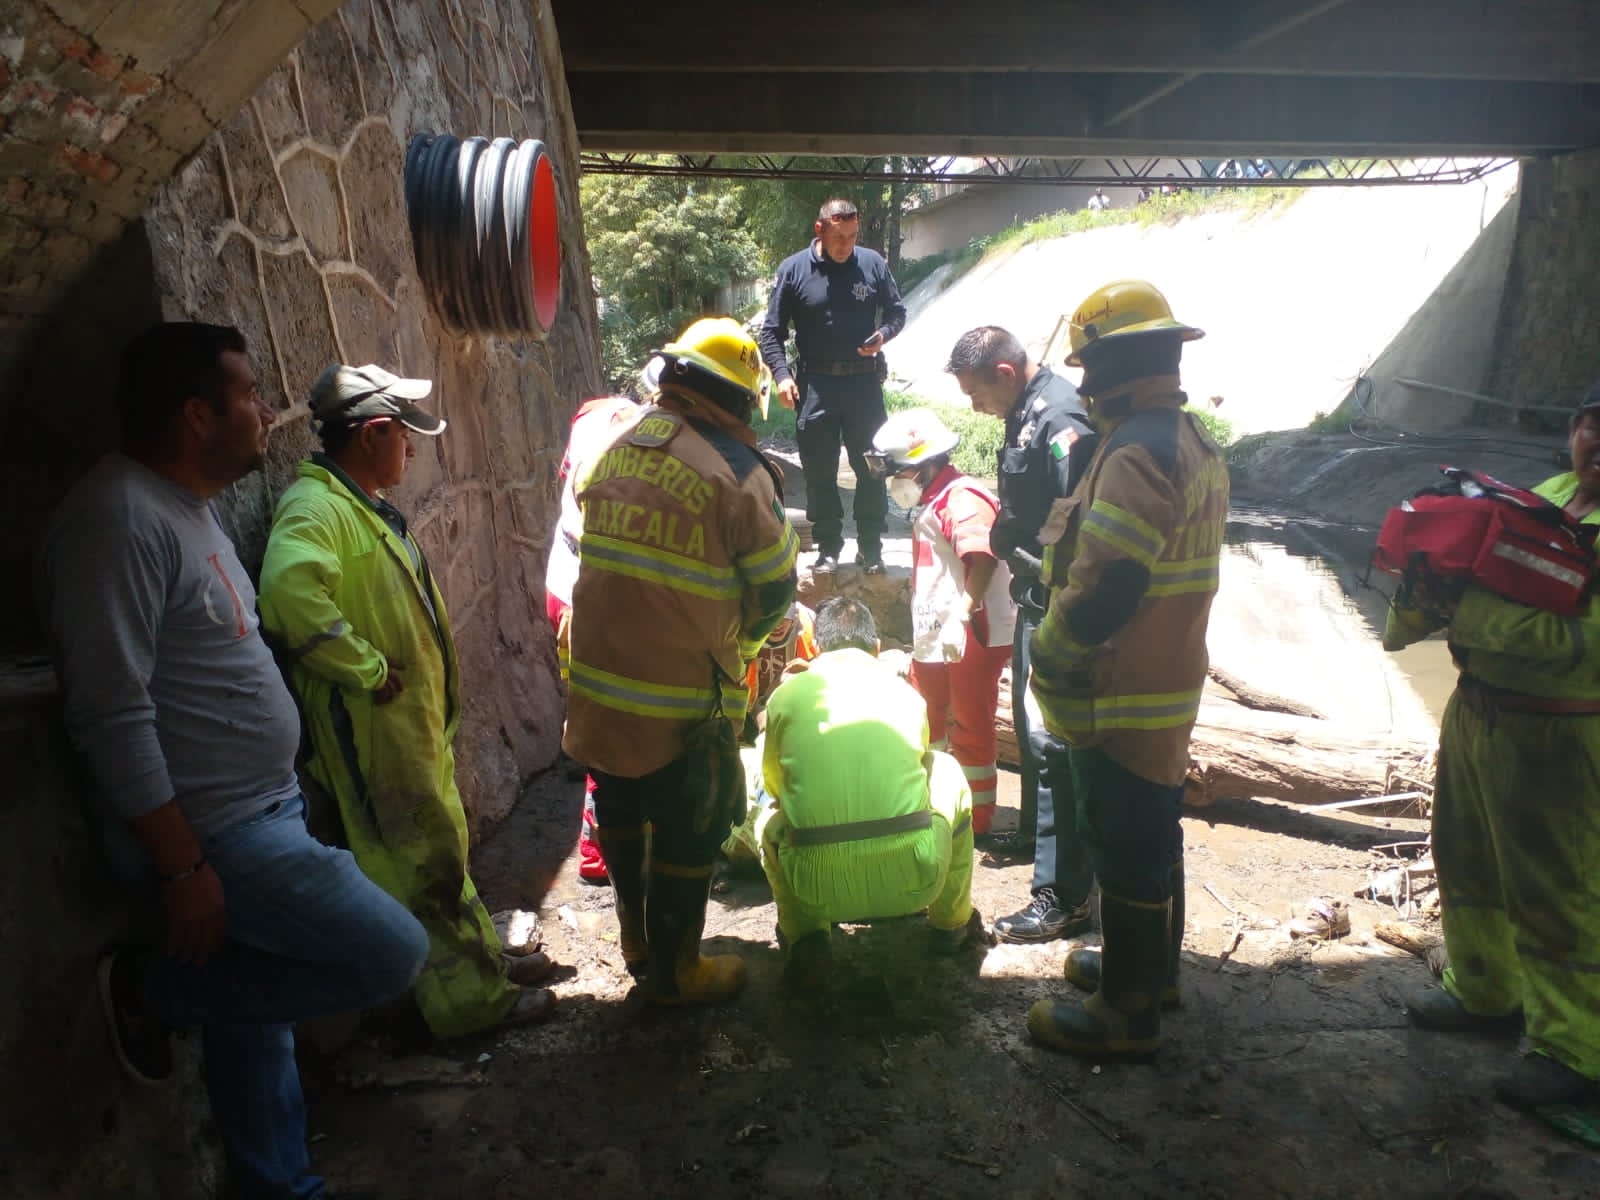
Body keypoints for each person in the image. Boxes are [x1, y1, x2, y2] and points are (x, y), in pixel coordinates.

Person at [37, 323, 430, 1199]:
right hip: (217, 834)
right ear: (194, 413)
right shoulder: (116, 521)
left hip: (260, 809)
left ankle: (277, 1184)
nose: (267, 412)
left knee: (258, 1023)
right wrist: (182, 867)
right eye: (249, 395)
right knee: (389, 955)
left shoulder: (183, 509)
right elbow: (110, 714)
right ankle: (154, 992)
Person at [257, 363, 556, 1039]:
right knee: (420, 866)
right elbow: (285, 594)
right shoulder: (317, 509)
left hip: (405, 726)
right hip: (374, 734)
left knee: (441, 852)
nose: (412, 450)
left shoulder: (354, 504)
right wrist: (362, 667)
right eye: (404, 437)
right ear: (373, 435)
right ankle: (467, 1006)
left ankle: (482, 963)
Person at [564, 316, 799, 1003]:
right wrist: (748, 652)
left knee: (620, 804)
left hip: (601, 687)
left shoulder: (614, 447)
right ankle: (677, 973)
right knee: (690, 823)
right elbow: (776, 585)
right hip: (681, 700)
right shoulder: (737, 471)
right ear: (735, 398)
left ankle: (636, 941)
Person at [1024, 280, 1227, 1059]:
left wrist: (1055, 651)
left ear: (1110, 363)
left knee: (1125, 842)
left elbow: (1110, 581)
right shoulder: (1183, 436)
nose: (1082, 383)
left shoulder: (1137, 449)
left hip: (1123, 688)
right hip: (1165, 680)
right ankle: (1153, 974)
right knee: (1153, 835)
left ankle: (1126, 1013)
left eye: (1088, 367)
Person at [1384, 383, 1600, 1113]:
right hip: (1480, 711)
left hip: (1563, 730)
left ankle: (1577, 1052)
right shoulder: (1554, 493)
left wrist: (1468, 614)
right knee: (1466, 860)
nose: (1598, 442)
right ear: (1573, 430)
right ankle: (1483, 990)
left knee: (1560, 894)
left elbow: (1584, 641)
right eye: (1592, 424)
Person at [946, 326, 1098, 943]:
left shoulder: (1059, 415)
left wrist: (1032, 562)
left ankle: (1063, 895)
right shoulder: (1028, 408)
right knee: (1031, 734)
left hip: (1056, 601)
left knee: (1052, 744)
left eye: (977, 394)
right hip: (1036, 597)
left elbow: (1080, 521)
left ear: (1005, 375)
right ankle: (1040, 841)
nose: (975, 407)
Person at [759, 598, 979, 987]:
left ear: (819, 649)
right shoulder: (908, 696)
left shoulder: (786, 698)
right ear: (876, 648)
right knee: (946, 770)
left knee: (767, 816)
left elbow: (774, 783)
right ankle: (951, 924)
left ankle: (806, 936)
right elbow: (921, 766)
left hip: (813, 887)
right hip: (917, 877)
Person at [869, 408, 1015, 838]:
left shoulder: (962, 497)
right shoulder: (937, 498)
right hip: (938, 635)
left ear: (923, 465)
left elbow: (982, 555)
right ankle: (932, 800)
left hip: (967, 632)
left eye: (898, 471)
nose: (895, 481)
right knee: (927, 716)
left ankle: (974, 821)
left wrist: (963, 614)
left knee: (970, 724)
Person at [757, 197, 907, 574]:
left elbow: (897, 312)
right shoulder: (794, 270)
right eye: (840, 238)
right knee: (820, 471)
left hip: (864, 384)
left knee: (872, 467)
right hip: (815, 386)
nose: (847, 246)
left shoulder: (871, 263)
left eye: (853, 237)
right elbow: (771, 332)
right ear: (820, 230)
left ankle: (871, 548)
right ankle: (827, 548)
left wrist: (883, 335)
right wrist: (781, 376)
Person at [545, 368, 649, 883]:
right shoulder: (625, 437)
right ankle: (599, 850)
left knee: (594, 715)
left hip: (565, 593)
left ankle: (601, 842)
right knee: (614, 723)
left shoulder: (592, 418)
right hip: (588, 598)